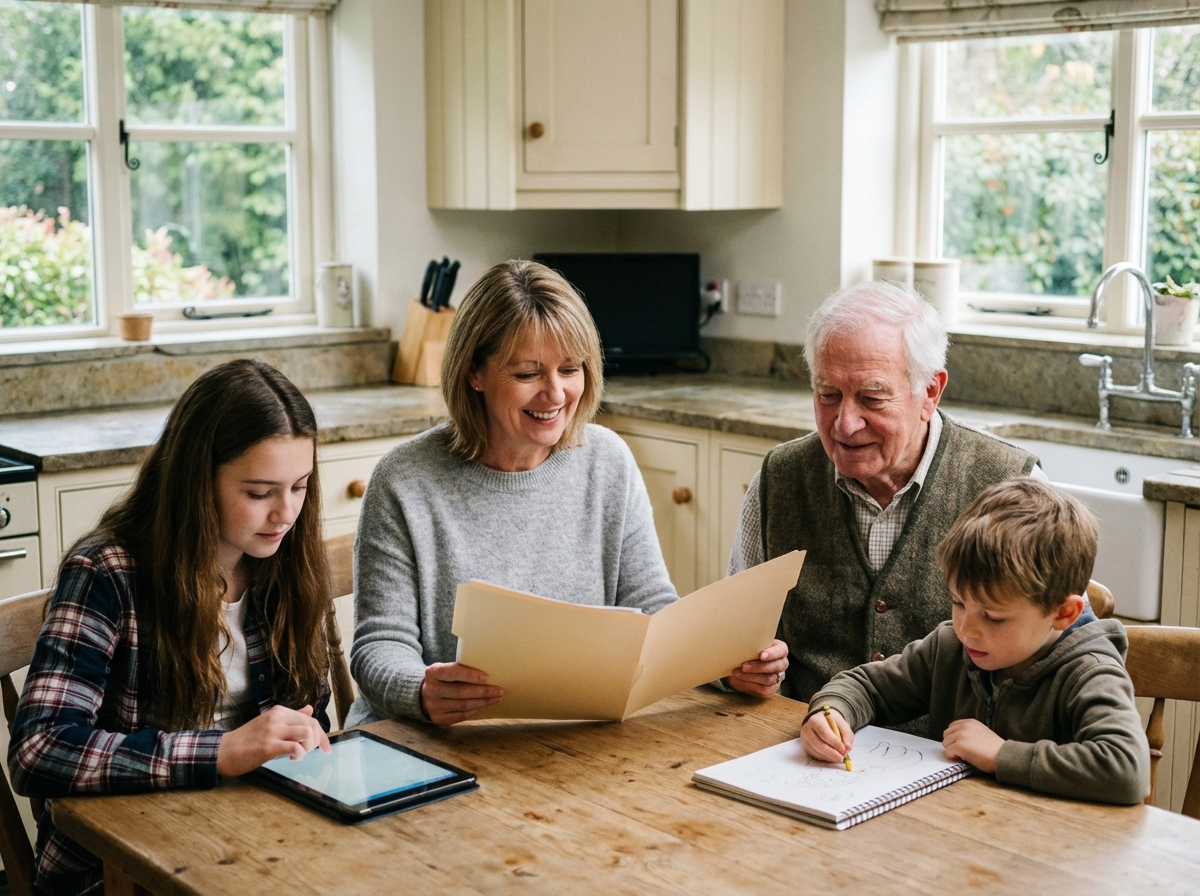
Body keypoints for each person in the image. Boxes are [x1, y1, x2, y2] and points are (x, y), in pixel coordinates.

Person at [348, 260, 788, 727]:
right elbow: (379, 646)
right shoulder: (403, 480)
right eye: (527, 374)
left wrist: (726, 667)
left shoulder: (607, 460)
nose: (555, 394)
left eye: (570, 369)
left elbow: (654, 609)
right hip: (437, 743)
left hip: (572, 739)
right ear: (473, 372)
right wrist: (419, 690)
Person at [8, 359, 334, 896]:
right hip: (119, 868)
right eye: (259, 493)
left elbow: (309, 713)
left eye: (299, 486)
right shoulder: (107, 572)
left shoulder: (287, 562)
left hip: (257, 839)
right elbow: (39, 750)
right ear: (194, 481)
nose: (286, 513)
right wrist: (221, 752)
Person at [729, 280, 1042, 705]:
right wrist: (742, 672)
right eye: (828, 395)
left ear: (929, 392)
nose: (845, 424)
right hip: (800, 746)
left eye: (872, 398)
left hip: (954, 756)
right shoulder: (780, 478)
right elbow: (729, 647)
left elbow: (1057, 663)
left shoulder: (1011, 485)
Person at [801, 478, 1150, 805]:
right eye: (958, 602)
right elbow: (866, 686)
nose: (967, 629)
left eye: (994, 617)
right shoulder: (950, 647)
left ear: (1063, 613)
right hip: (957, 833)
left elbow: (1126, 769)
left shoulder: (1089, 672)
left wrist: (1001, 755)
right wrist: (830, 713)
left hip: (1046, 854)